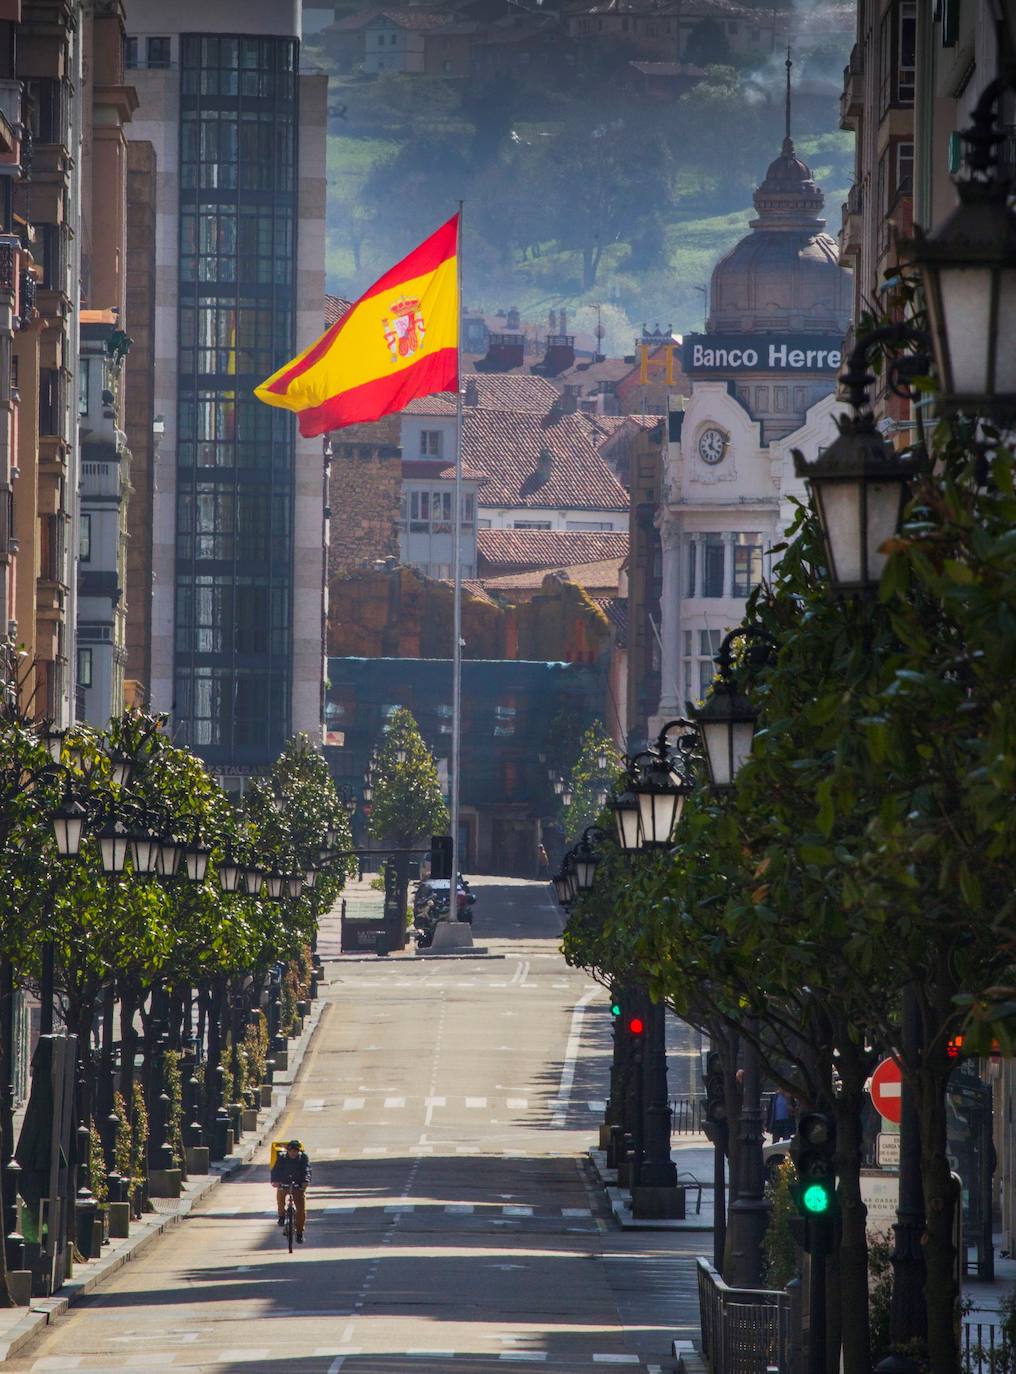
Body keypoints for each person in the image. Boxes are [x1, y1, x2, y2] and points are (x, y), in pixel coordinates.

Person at [271, 1139, 311, 1242]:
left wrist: (305, 1181)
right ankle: (281, 1216)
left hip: (298, 1185)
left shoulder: (303, 1158)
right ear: (288, 1151)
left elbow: (307, 1170)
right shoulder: (282, 1157)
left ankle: (299, 1233)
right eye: (291, 1151)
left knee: (301, 1210)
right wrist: (275, 1181)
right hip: (284, 1183)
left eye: (295, 1151)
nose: (293, 1153)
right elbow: (275, 1170)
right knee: (280, 1197)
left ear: (299, 1151)